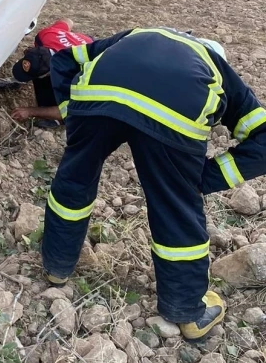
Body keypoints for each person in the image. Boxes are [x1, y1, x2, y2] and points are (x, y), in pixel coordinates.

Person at [42, 27, 266, 341]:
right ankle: (187, 312)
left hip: (98, 95)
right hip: (173, 114)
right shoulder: (218, 69)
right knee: (175, 208)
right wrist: (204, 178)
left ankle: (56, 265)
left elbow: (66, 58)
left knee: (74, 179)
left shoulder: (138, 33)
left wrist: (74, 116)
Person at [0, 19, 93, 127]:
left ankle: (58, 122)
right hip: (81, 44)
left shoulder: (78, 74)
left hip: (96, 59)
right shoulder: (45, 36)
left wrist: (31, 111)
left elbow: (67, 110)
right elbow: (68, 21)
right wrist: (69, 38)